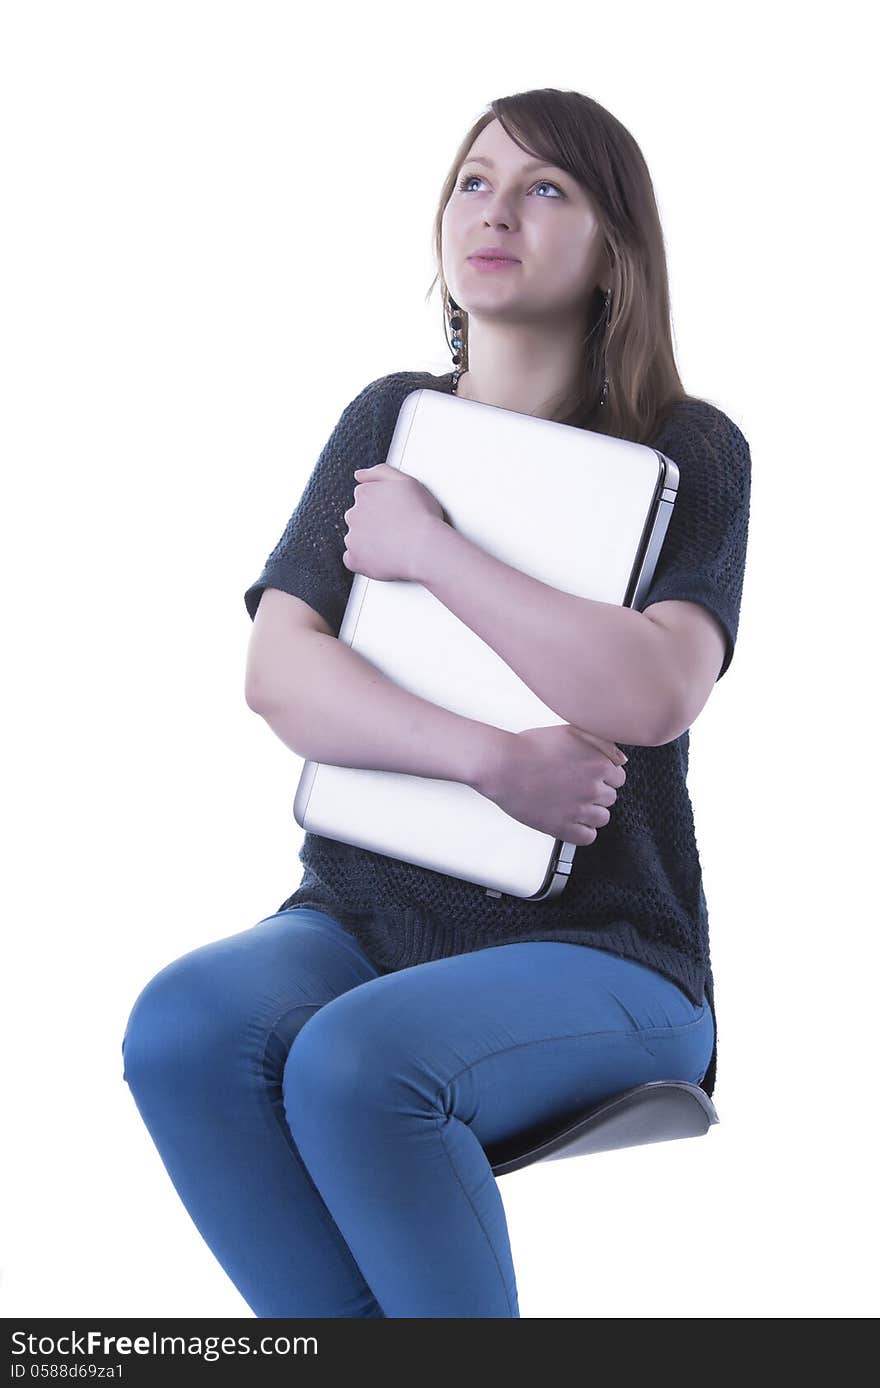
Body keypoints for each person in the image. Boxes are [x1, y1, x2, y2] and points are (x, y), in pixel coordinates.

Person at [121, 88, 750, 1319]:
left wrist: (433, 551)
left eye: (543, 187)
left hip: (608, 953)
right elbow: (280, 673)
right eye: (473, 181)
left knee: (357, 1065)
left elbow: (657, 689)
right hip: (356, 917)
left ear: (616, 244)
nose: (494, 210)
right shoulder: (387, 418)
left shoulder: (689, 447)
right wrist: (489, 761)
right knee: (184, 1025)